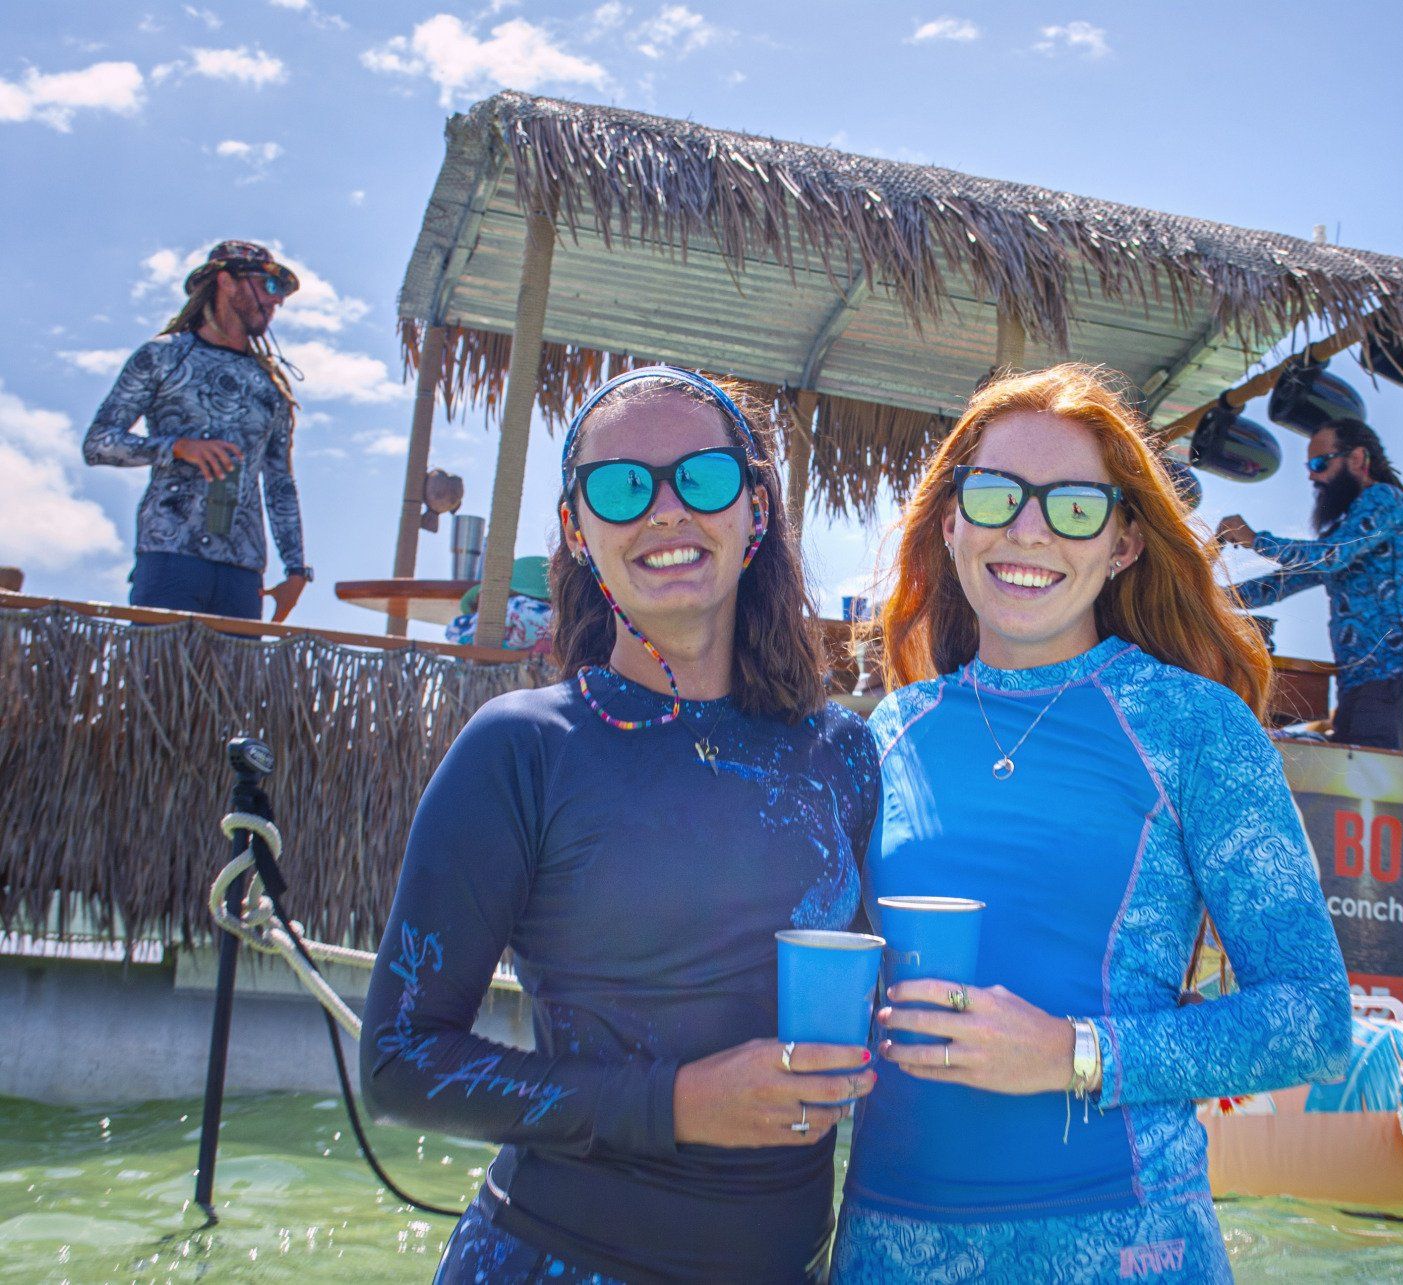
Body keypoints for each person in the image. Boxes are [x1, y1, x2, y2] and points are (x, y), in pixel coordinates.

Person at [359, 367, 880, 1283]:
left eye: (705, 478)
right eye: (622, 486)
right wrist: (674, 1103)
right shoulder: (524, 748)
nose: (667, 510)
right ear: (576, 530)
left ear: (755, 508)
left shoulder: (843, 753)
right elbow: (401, 1062)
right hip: (556, 1256)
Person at [833, 365, 1351, 1283]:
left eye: (1073, 507)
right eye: (995, 496)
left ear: (1122, 544)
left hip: (1124, 1251)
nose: (1027, 530)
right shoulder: (887, 732)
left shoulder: (1195, 728)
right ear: (951, 519)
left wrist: (1073, 1053)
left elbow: (1311, 1018)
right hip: (887, 1249)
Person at [81, 240, 312, 621]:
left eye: (281, 293)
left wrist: (296, 570)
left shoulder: (270, 383)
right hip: (170, 556)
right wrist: (177, 448)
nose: (276, 301)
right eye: (268, 287)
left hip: (243, 568)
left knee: (231, 683)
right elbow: (99, 443)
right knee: (160, 677)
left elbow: (280, 482)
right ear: (227, 282)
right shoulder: (163, 356)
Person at [1216, 417, 1403, 749]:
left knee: (1367, 783)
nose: (1311, 475)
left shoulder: (1384, 499)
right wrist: (1205, 597)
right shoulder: (1352, 532)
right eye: (1310, 465)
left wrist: (1254, 540)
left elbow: (1329, 556)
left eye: (1320, 464)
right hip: (1360, 684)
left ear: (1358, 460)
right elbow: (1283, 582)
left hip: (1387, 682)